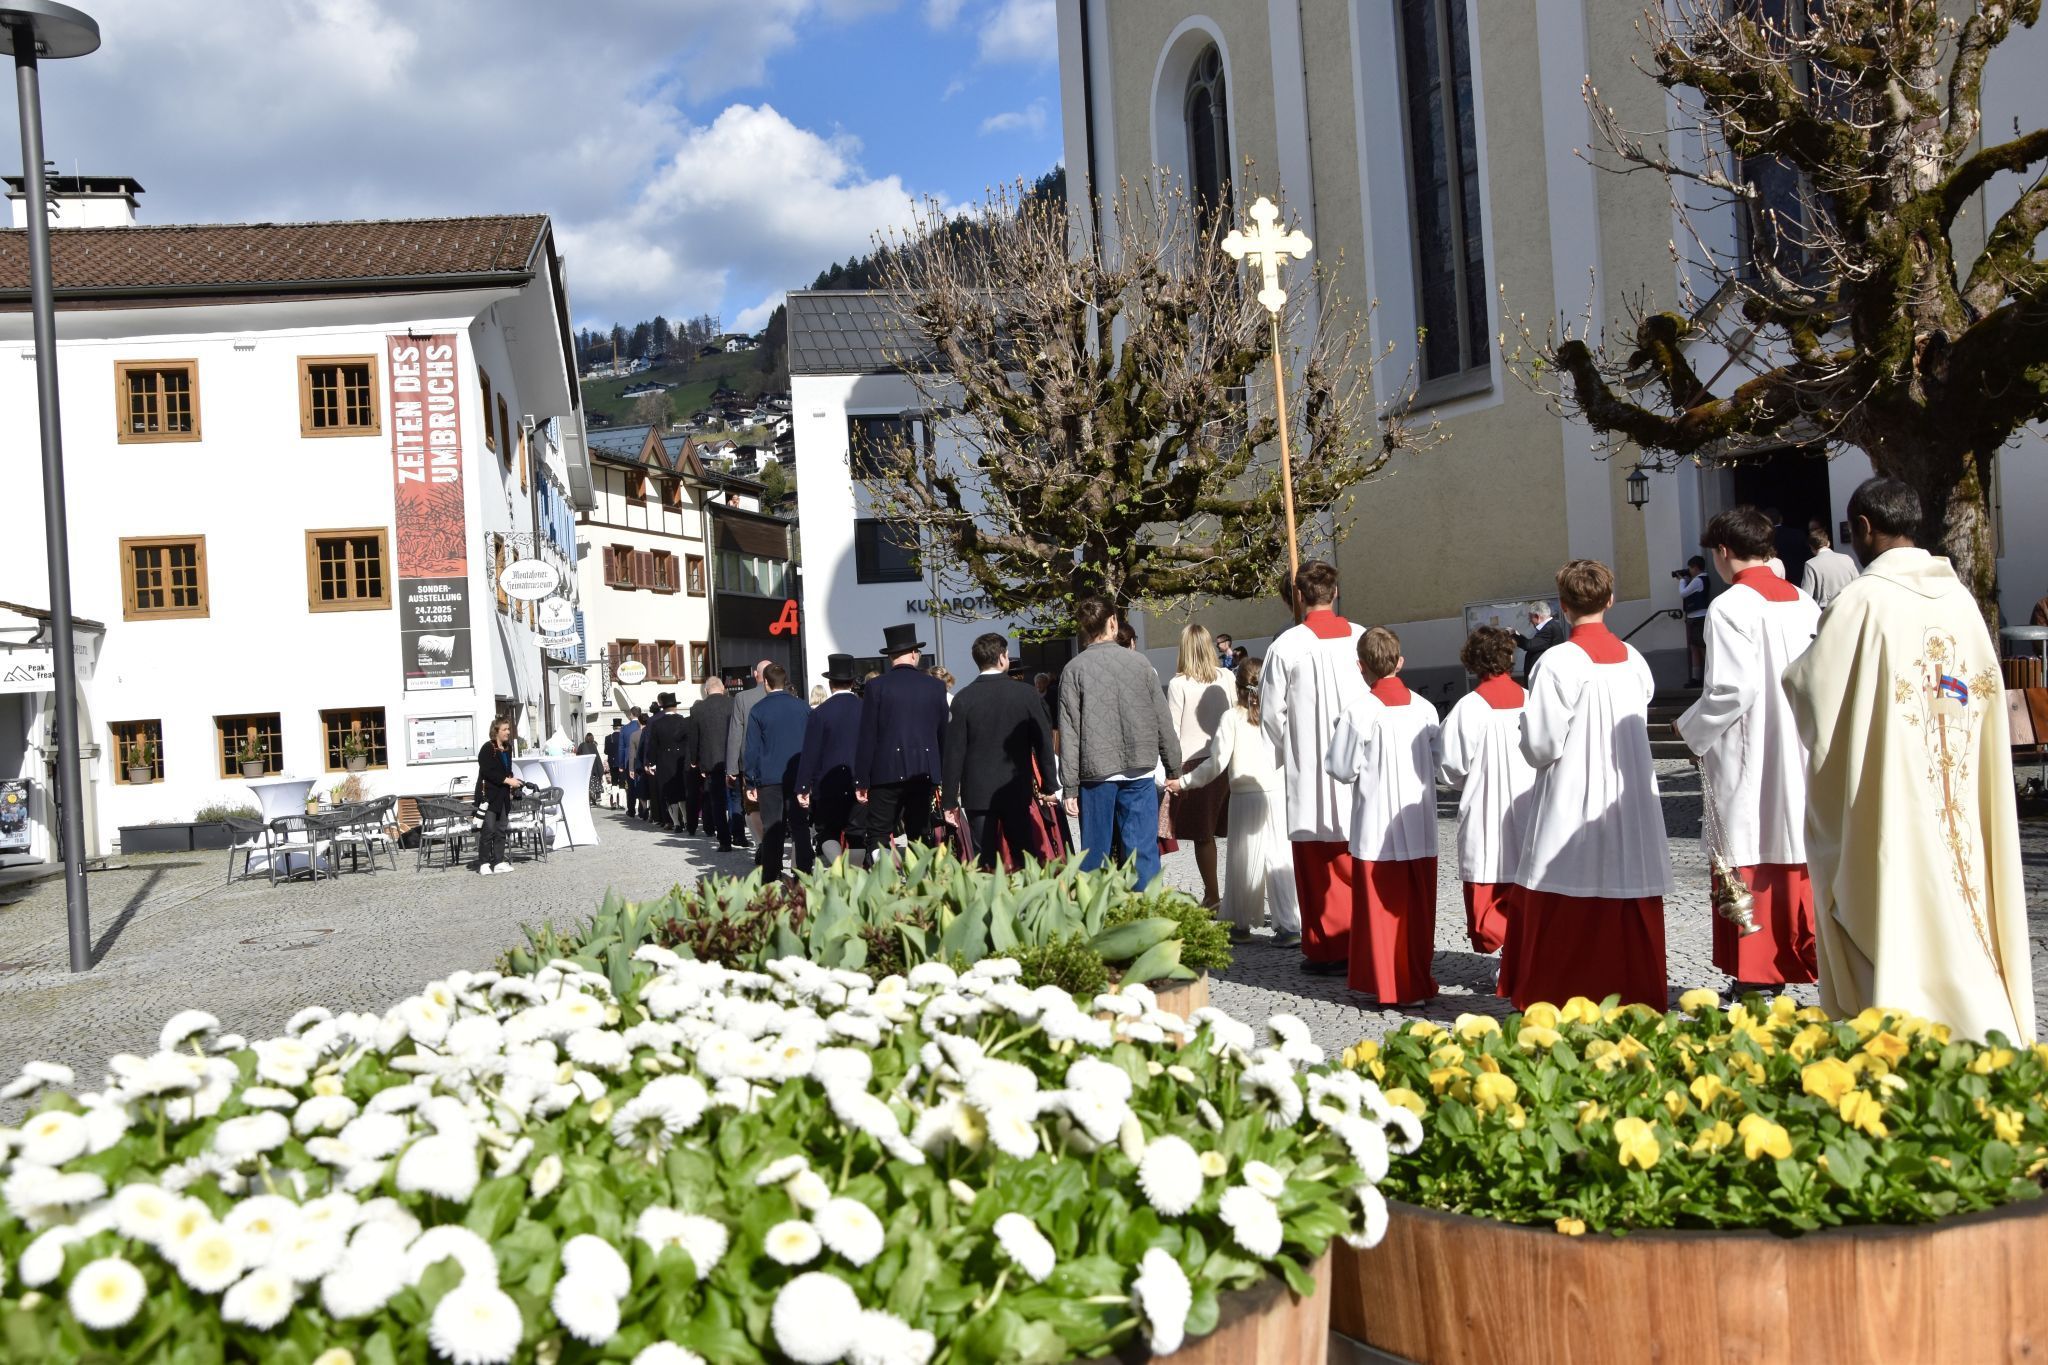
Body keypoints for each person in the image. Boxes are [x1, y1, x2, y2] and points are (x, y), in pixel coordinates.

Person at [1784, 478, 2035, 1041]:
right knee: (1962, 883)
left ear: (1866, 527)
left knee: (1891, 884)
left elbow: (1813, 692)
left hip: (1893, 785)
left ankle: (1906, 1012)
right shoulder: (1960, 598)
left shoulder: (1863, 601)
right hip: (1959, 783)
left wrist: (1791, 675)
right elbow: (1981, 685)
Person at [1503, 559, 1671, 1010]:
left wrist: (1524, 728)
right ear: (1610, 601)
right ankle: (1634, 996)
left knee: (1566, 886)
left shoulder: (1557, 662)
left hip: (1572, 797)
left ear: (1562, 606)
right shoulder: (1635, 660)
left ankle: (1559, 997)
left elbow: (1540, 746)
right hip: (1627, 798)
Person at [1678, 507, 1823, 991]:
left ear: (1722, 552)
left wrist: (1692, 731)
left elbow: (1730, 691)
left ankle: (1757, 977)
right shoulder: (1804, 601)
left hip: (1753, 745)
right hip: (1801, 741)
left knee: (1749, 842)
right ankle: (1797, 960)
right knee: (1796, 846)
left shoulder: (1730, 606)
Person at [1261, 560, 1369, 975]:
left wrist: (1291, 745)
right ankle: (1362, 937)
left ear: (1300, 597)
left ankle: (1327, 946)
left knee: (1316, 858)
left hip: (1310, 767)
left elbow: (1271, 712)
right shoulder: (1360, 637)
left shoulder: (1286, 646)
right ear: (1335, 592)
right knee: (1356, 853)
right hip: (1359, 765)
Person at [1325, 627, 1441, 1005]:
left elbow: (1342, 769)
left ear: (1361, 667)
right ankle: (1416, 980)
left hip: (1376, 826)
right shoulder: (1425, 709)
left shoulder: (1359, 712)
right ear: (1401, 661)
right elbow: (1439, 763)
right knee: (1417, 910)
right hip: (1419, 824)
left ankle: (1391, 985)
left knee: (1379, 909)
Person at [1059, 597, 1182, 887]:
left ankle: (1097, 919)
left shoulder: (1074, 670)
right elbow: (1162, 720)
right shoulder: (1140, 663)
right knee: (1143, 851)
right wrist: (1174, 767)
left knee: (1094, 855)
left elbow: (1070, 731)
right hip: (1139, 767)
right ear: (1113, 622)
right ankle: (1147, 915)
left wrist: (1070, 786)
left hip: (1096, 771)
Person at [1181, 658, 1301, 945]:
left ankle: (1239, 922)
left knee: (1243, 858)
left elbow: (1216, 763)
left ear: (1237, 687)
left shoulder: (1231, 718)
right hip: (1275, 793)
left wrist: (1185, 781)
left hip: (1245, 796)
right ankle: (1289, 924)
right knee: (1278, 857)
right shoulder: (1278, 716)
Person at [1438, 627, 1537, 956]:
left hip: (1485, 808)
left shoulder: (1469, 708)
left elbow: (1450, 766)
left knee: (1489, 881)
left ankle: (1502, 951)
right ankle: (1525, 952)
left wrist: (1467, 783)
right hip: (1529, 806)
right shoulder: (1530, 700)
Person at [942, 632, 1058, 869]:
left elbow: (954, 753)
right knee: (1024, 855)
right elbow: (1043, 741)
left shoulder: (963, 699)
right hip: (1016, 787)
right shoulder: (1026, 694)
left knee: (983, 860)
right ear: (1003, 658)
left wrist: (950, 799)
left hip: (977, 792)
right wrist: (1049, 784)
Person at [855, 624, 951, 855]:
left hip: (885, 771)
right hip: (923, 770)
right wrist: (945, 775)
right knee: (920, 830)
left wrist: (861, 779)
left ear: (890, 657)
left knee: (878, 832)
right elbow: (943, 734)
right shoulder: (935, 687)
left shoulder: (876, 686)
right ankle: (920, 880)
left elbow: (867, 735)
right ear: (914, 653)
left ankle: (883, 881)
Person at [1168, 623, 1237, 908]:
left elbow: (1172, 729)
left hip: (1194, 761)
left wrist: (1172, 772)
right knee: (1234, 830)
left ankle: (1212, 894)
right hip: (1229, 756)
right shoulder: (1227, 676)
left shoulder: (1178, 683)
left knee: (1203, 835)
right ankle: (1235, 894)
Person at [743, 664, 810, 882]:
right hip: (798, 773)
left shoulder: (758, 710)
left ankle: (770, 875)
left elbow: (752, 749)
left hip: (769, 777)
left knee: (773, 827)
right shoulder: (803, 707)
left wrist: (750, 781)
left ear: (766, 683)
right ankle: (804, 872)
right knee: (800, 826)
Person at [796, 654, 864, 866]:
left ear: (830, 683)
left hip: (827, 783)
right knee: (857, 833)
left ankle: (838, 867)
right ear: (852, 682)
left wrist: (803, 785)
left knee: (827, 832)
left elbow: (810, 753)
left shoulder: (820, 713)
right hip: (860, 780)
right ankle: (854, 872)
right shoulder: (866, 709)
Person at [726, 660, 771, 848]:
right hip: (777, 760)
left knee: (753, 806)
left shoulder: (743, 698)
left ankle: (761, 843)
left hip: (750, 762)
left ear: (755, 675)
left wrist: (732, 768)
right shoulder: (787, 696)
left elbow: (736, 733)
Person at [686, 678, 734, 851]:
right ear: (723, 689)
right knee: (736, 800)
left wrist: (694, 760)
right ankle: (740, 834)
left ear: (706, 691)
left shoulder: (698, 709)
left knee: (717, 802)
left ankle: (724, 840)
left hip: (711, 760)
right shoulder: (733, 703)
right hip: (733, 758)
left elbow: (694, 738)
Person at [474, 717, 522, 876]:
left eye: (509, 729)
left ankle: (499, 861)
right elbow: (488, 772)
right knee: (488, 830)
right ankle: (484, 862)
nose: (508, 732)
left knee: (501, 829)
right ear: (496, 731)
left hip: (503, 796)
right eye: (505, 729)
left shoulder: (507, 748)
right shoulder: (487, 748)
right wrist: (508, 780)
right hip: (489, 796)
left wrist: (514, 781)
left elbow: (506, 770)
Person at [642, 693, 690, 830]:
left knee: (669, 793)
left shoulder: (657, 724)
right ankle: (686, 820)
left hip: (664, 762)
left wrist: (650, 762)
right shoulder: (682, 720)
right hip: (681, 760)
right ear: (675, 706)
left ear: (663, 707)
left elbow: (652, 745)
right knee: (682, 792)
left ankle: (676, 823)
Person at [1800, 525, 1859, 608]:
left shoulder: (1810, 564)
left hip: (1826, 609)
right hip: (1848, 606)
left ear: (1811, 547)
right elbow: (1858, 584)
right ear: (1828, 543)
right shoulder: (1847, 558)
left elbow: (1807, 595)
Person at [1514, 601, 1567, 682]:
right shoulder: (1550, 626)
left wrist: (1514, 635)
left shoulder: (1549, 628)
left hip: (1544, 678)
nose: (1530, 621)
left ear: (1537, 616)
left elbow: (1530, 645)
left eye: (1530, 618)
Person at [1679, 555, 1710, 686]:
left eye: (1690, 568)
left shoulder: (1698, 580)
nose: (1689, 570)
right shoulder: (1699, 579)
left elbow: (1683, 593)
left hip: (1699, 618)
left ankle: (1708, 678)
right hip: (1694, 617)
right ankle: (1696, 679)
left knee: (1702, 648)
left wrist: (1682, 581)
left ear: (1696, 568)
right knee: (1694, 649)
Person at [1766, 507, 1809, 586]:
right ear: (1781, 519)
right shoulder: (1798, 534)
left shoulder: (1765, 538)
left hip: (1775, 579)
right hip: (1798, 578)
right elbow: (1807, 556)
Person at [619, 708, 646, 820]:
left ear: (631, 715)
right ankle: (642, 809)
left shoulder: (625, 729)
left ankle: (631, 810)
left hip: (629, 760)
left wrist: (620, 764)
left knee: (630, 787)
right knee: (642, 784)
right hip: (642, 760)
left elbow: (621, 748)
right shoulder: (643, 727)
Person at [576, 726, 604, 806]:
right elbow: (597, 758)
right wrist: (600, 771)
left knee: (589, 785)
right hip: (594, 769)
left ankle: (591, 800)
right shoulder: (593, 746)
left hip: (586, 768)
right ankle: (597, 796)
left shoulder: (582, 745)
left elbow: (578, 754)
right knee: (596, 783)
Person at [603, 718, 626, 810]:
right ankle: (621, 803)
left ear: (614, 728)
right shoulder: (623, 737)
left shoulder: (608, 738)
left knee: (614, 782)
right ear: (620, 727)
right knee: (622, 784)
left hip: (612, 762)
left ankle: (614, 802)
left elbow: (606, 751)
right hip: (622, 762)